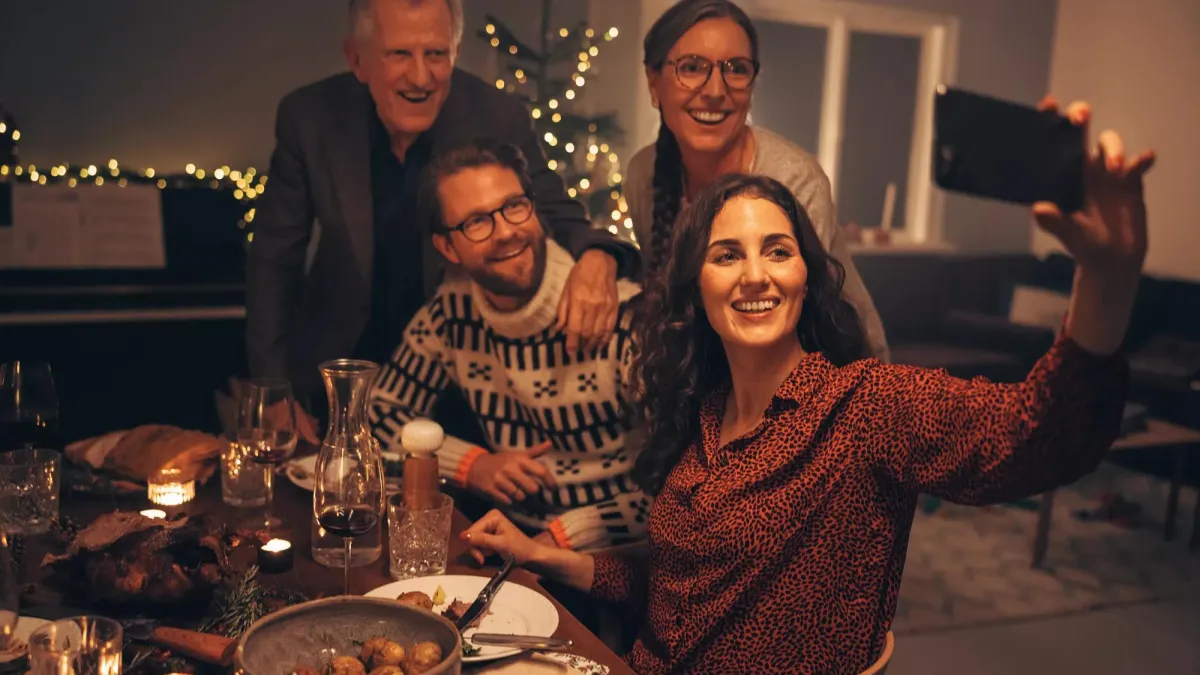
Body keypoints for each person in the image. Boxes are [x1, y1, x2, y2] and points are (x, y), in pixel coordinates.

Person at [459, 100, 1155, 673]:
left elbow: (1039, 437)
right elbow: (685, 586)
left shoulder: (865, 408)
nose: (755, 275)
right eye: (727, 254)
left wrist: (1108, 276)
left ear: (806, 277)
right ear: (697, 290)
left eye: (778, 250)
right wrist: (549, 556)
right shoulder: (702, 415)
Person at [245, 0, 638, 434]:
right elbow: (273, 260)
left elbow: (555, 212)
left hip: (460, 377)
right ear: (357, 59)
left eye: (435, 54)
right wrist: (274, 388)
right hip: (337, 368)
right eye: (399, 54)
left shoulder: (496, 116)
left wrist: (600, 257)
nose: (420, 77)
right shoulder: (309, 118)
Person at [368, 139, 649, 551]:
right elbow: (378, 413)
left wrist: (552, 541)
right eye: (476, 222)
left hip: (616, 557)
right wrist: (471, 465)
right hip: (508, 538)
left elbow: (684, 485)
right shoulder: (453, 312)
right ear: (447, 246)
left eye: (514, 206)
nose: (506, 232)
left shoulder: (620, 315)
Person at [623, 0, 890, 361]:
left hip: (827, 372)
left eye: (735, 69)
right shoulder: (643, 175)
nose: (716, 90)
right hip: (708, 373)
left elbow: (795, 330)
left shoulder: (792, 178)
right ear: (653, 82)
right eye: (691, 67)